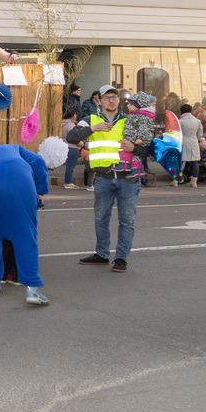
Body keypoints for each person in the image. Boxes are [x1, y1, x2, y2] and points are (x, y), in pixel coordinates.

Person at [67, 84, 147, 273]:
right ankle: (102, 254)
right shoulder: (91, 119)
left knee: (127, 221)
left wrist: (135, 148)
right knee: (101, 218)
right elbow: (71, 137)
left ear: (119, 100)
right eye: (107, 97)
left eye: (114, 97)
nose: (111, 100)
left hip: (128, 178)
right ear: (100, 101)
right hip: (103, 177)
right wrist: (92, 128)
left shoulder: (130, 120)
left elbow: (147, 148)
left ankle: (121, 258)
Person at [0, 137, 50, 305]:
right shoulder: (14, 148)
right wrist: (40, 190)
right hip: (19, 183)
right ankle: (32, 290)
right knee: (25, 237)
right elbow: (38, 161)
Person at [118, 92, 155, 180]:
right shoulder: (134, 114)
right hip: (132, 138)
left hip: (135, 139)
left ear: (139, 105)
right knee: (133, 155)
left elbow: (144, 128)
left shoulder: (143, 116)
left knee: (134, 154)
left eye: (130, 104)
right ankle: (131, 168)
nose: (128, 106)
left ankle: (131, 167)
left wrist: (141, 138)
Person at [178, 104, 203, 188]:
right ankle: (194, 181)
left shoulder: (180, 121)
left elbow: (177, 133)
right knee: (195, 161)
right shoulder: (197, 121)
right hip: (194, 141)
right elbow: (200, 134)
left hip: (183, 141)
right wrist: (195, 138)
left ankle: (176, 180)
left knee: (180, 161)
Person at [60, 109, 82, 189]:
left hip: (66, 146)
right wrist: (81, 143)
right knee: (71, 165)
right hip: (73, 147)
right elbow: (75, 137)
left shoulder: (63, 124)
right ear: (73, 116)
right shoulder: (70, 125)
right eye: (75, 114)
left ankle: (68, 182)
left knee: (69, 165)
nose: (76, 116)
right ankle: (68, 182)